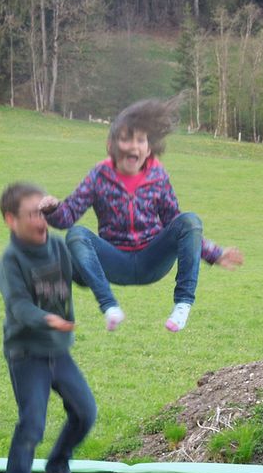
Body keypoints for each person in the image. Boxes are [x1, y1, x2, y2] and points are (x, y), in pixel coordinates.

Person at [40, 97, 243, 332]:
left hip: (152, 261)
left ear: (148, 148)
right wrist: (53, 208)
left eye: (140, 140)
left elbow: (177, 224)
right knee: (77, 234)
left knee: (190, 219)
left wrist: (215, 254)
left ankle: (183, 305)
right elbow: (68, 217)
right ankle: (110, 307)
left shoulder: (158, 176)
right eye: (126, 139)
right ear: (111, 145)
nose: (133, 146)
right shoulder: (98, 175)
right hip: (114, 260)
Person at [0, 182, 98, 473]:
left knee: (85, 413)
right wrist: (48, 319)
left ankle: (58, 462)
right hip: (27, 353)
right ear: (11, 220)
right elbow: (19, 307)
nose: (41, 221)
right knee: (32, 423)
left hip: (58, 352)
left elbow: (84, 275)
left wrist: (99, 255)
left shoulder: (57, 247)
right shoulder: (11, 261)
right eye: (32, 215)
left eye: (43, 212)